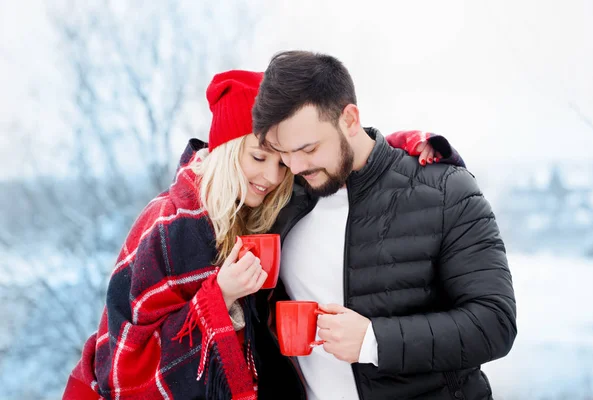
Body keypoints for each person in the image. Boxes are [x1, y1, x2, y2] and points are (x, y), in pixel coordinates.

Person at [62, 69, 455, 400]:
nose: (271, 177)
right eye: (258, 156)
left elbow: (343, 149)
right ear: (227, 149)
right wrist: (220, 297)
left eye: (283, 163)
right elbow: (123, 371)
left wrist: (411, 145)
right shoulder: (168, 224)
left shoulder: (264, 209)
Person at [252, 50, 517, 400]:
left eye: (309, 148)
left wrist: (373, 341)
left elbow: (494, 323)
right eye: (283, 152)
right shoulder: (281, 201)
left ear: (349, 119)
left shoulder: (445, 190)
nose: (296, 165)